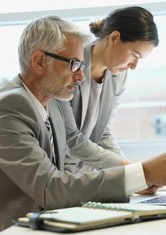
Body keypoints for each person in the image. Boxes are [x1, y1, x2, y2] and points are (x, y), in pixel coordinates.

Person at [0, 15, 166, 235]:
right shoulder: (7, 109)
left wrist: (136, 179)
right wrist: (143, 173)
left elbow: (62, 178)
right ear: (38, 62)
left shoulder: (49, 105)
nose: (81, 75)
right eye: (73, 64)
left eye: (81, 64)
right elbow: (52, 189)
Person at [62, 6, 158, 163]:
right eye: (134, 55)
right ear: (114, 38)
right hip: (58, 170)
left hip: (83, 171)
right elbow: (69, 137)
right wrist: (132, 172)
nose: (134, 66)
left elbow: (102, 132)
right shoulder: (70, 65)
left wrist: (132, 173)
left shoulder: (119, 76)